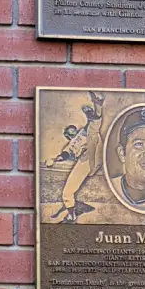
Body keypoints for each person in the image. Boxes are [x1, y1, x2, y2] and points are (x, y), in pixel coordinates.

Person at [48, 91, 106, 223]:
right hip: (87, 161)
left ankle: (98, 105)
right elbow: (64, 155)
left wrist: (91, 118)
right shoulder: (71, 145)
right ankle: (71, 215)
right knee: (67, 192)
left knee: (93, 128)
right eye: (69, 132)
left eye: (72, 129)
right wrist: (55, 159)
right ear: (68, 136)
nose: (72, 131)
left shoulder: (81, 133)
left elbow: (90, 126)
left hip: (94, 152)